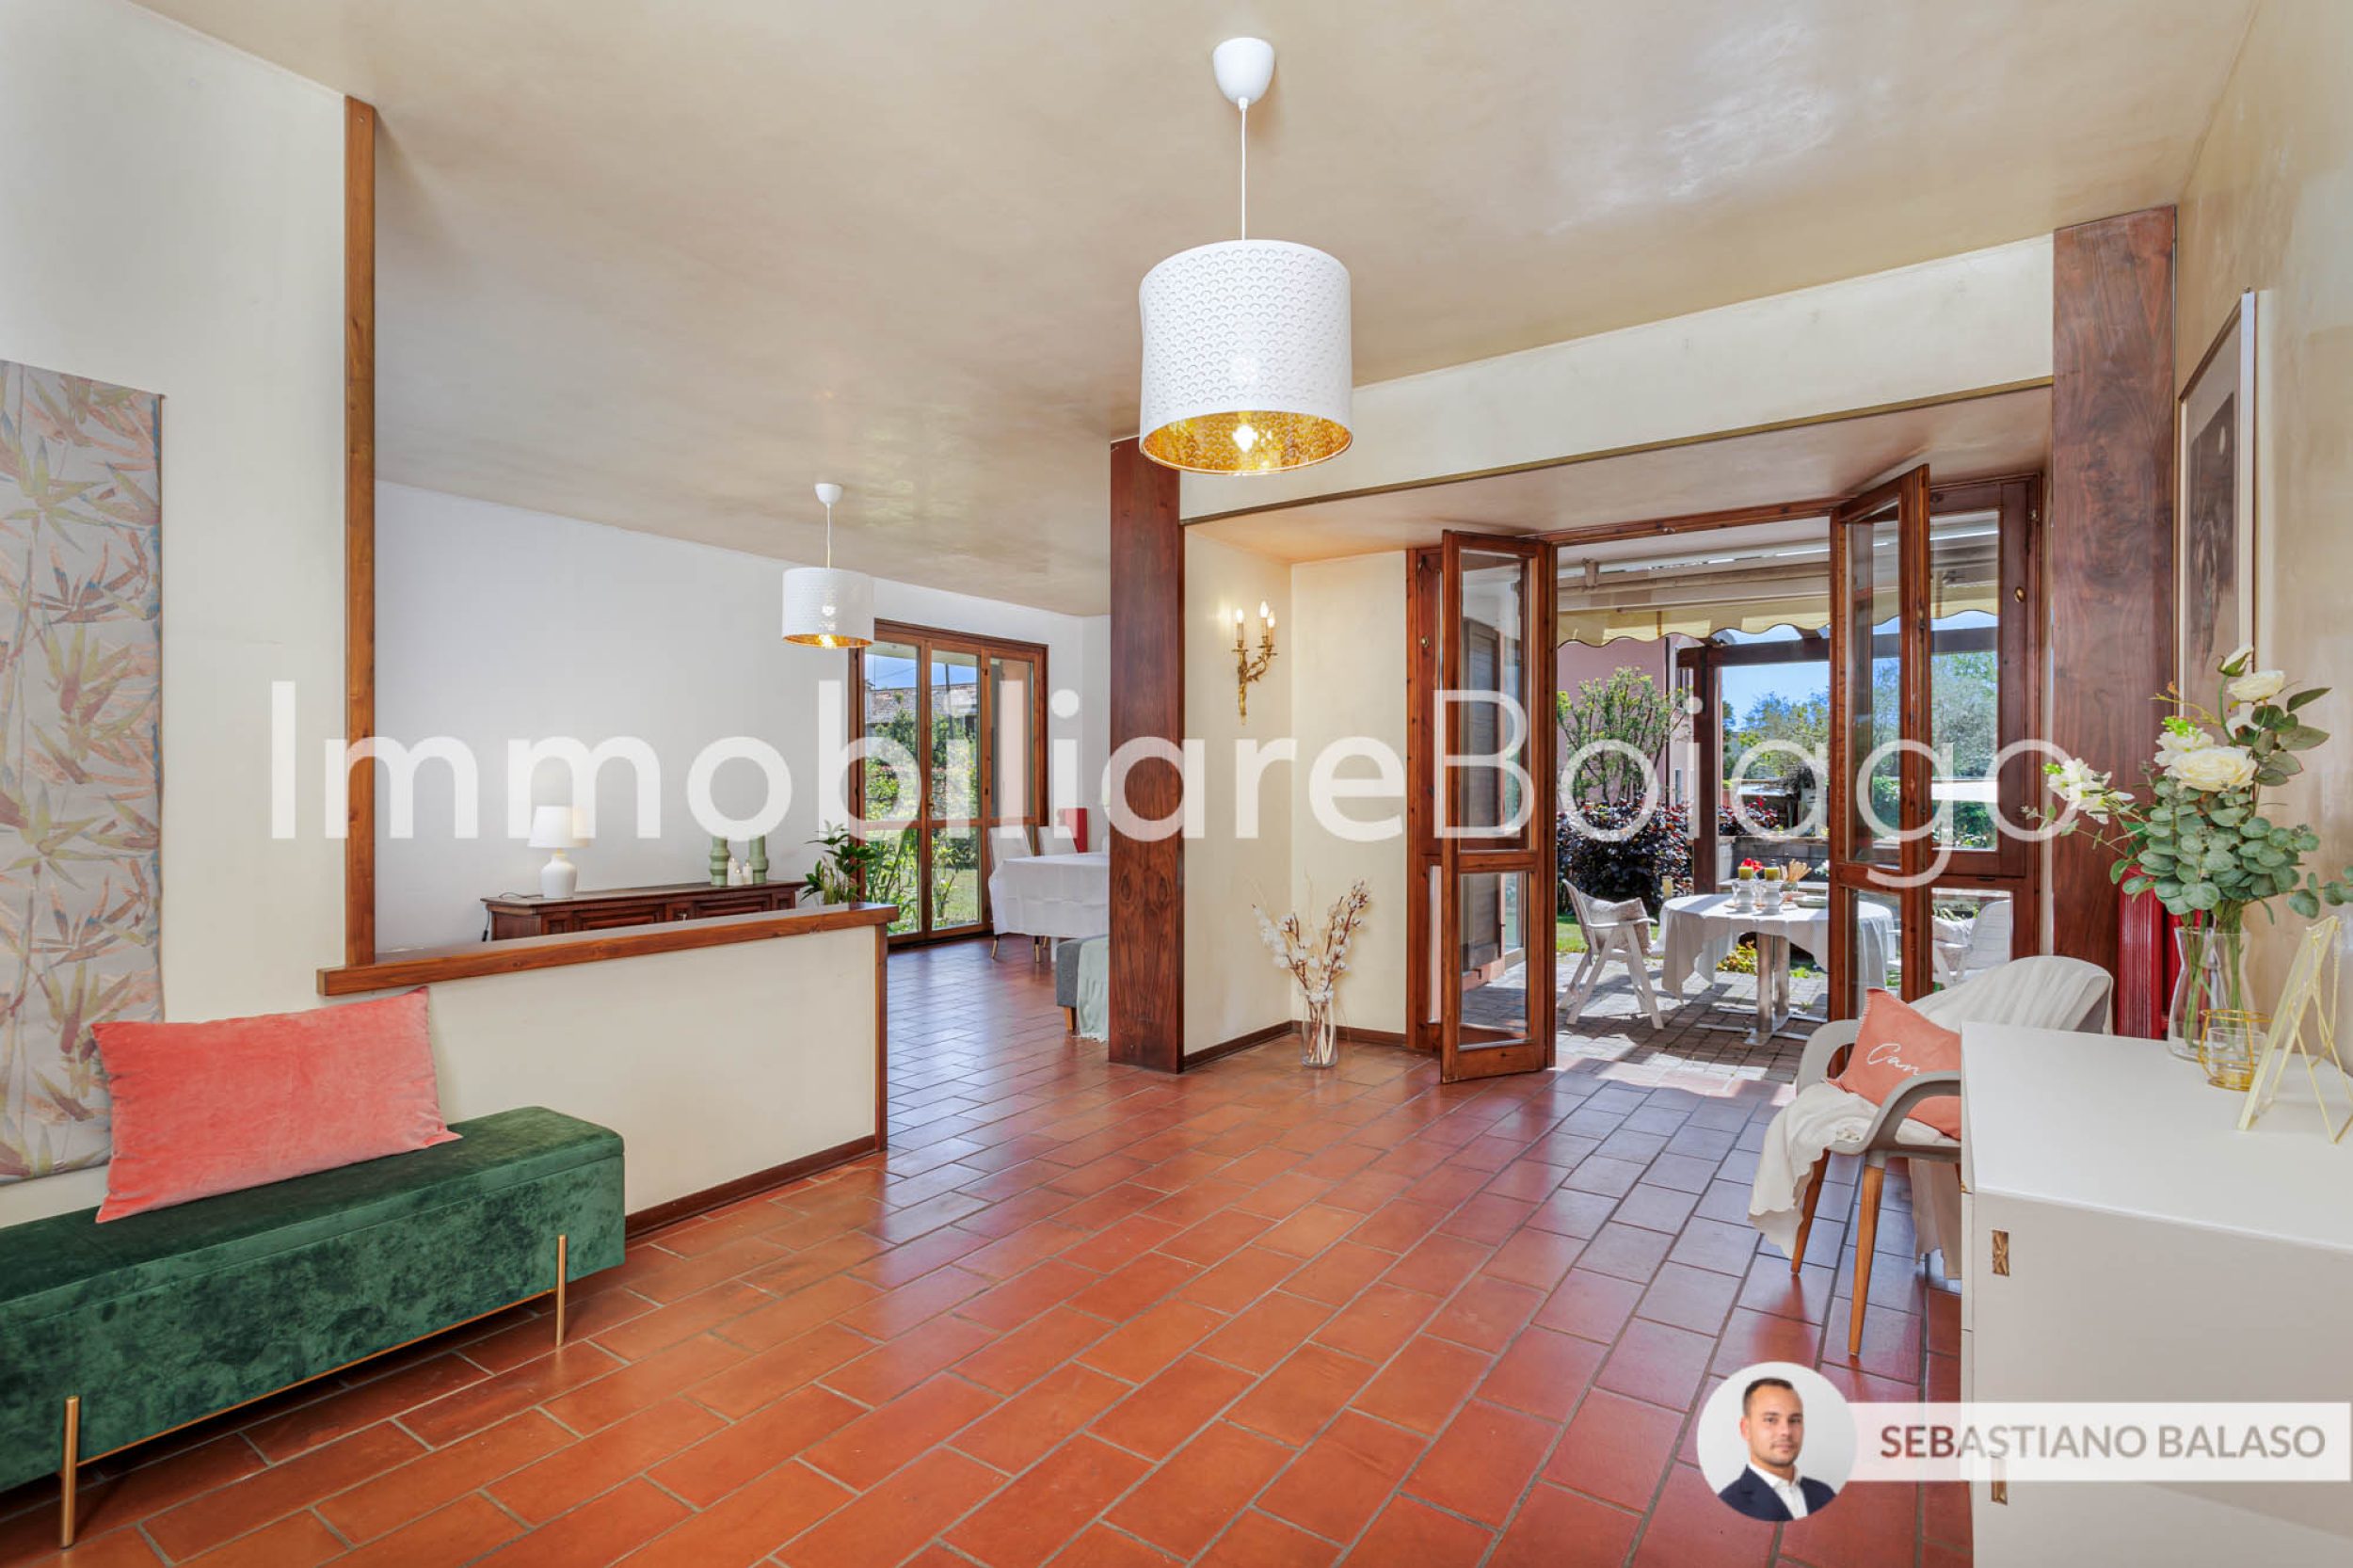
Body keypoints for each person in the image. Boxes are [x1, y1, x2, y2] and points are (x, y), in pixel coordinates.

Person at [1717, 1377, 1838, 1521]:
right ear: (1746, 1429)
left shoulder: (1825, 1494)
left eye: (1795, 1420)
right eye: (1770, 1420)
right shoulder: (1727, 1506)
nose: (1786, 1431)